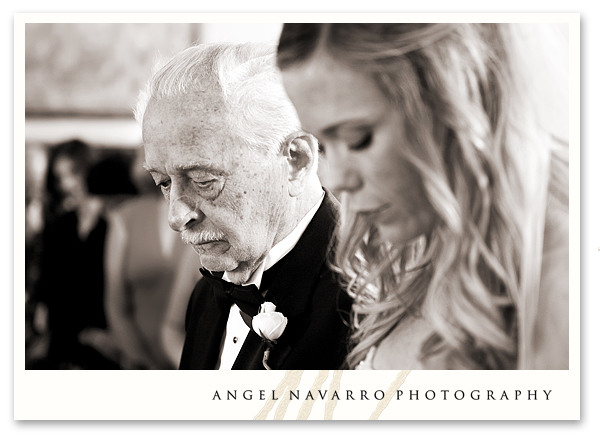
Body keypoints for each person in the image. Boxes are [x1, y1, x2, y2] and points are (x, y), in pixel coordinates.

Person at [277, 23, 569, 370]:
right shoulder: (417, 255)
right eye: (324, 146)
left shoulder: (564, 291)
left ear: (451, 100)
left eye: (358, 139)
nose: (337, 180)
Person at [135, 41, 353, 370]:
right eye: (163, 183)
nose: (177, 216)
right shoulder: (207, 293)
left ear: (296, 160)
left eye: (203, 179)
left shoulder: (371, 306)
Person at [99, 148, 200, 369]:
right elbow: (117, 306)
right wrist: (142, 363)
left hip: (195, 358)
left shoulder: (201, 217)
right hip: (140, 361)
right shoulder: (125, 219)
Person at [30, 139, 118, 369]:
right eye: (60, 177)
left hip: (103, 328)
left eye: (74, 172)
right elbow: (47, 272)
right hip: (63, 330)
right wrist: (42, 308)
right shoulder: (60, 223)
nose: (68, 184)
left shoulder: (113, 219)